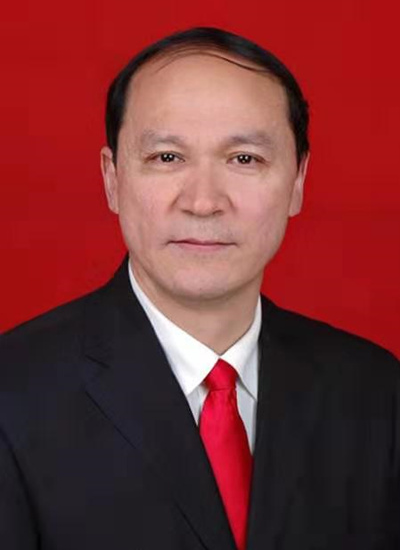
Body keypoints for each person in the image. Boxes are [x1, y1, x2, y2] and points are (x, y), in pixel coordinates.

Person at [0, 27, 399, 550]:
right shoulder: (13, 395)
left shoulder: (376, 392)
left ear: (298, 180)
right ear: (112, 179)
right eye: (167, 157)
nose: (204, 202)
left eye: (244, 159)